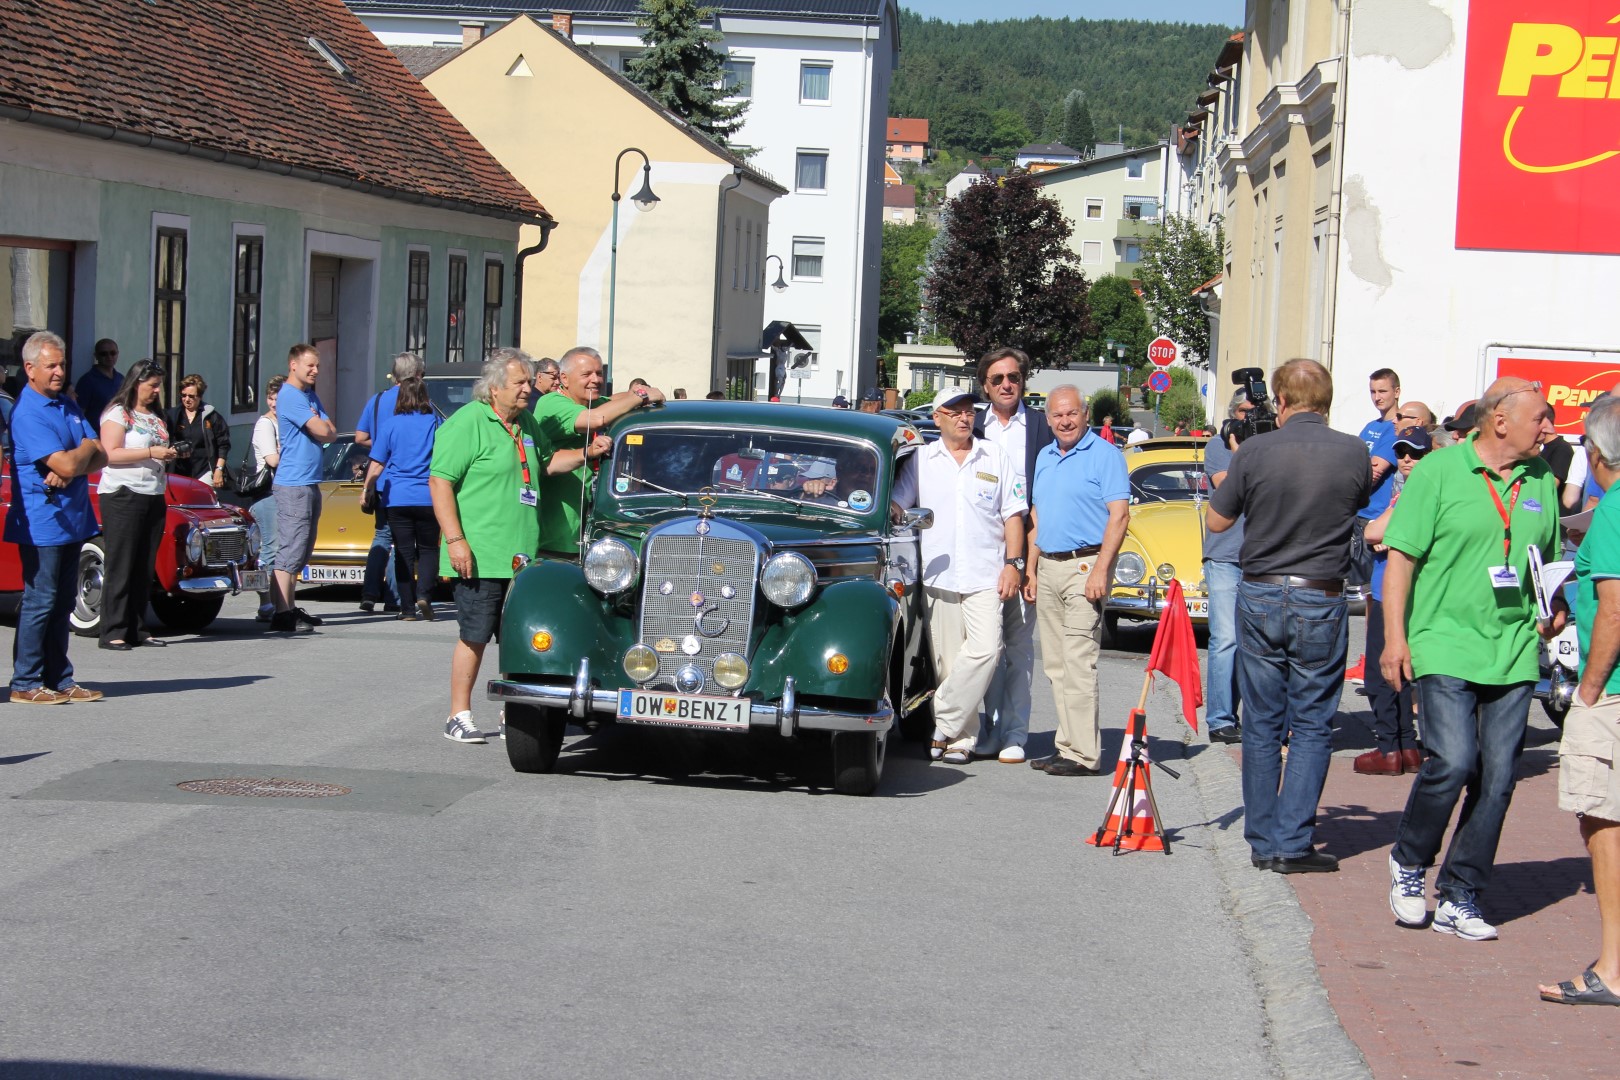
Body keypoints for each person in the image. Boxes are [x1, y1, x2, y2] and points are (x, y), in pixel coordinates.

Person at [1382, 377, 1563, 939]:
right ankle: (1410, 861)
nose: (1549, 429)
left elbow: (1544, 560)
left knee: (1500, 774)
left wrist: (1551, 609)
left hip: (1511, 648)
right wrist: (1394, 639)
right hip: (1443, 639)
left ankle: (1462, 892)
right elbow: (1401, 562)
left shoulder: (1542, 481)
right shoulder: (1438, 472)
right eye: (1540, 418)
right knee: (1454, 761)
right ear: (1500, 420)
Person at [1207, 358, 1372, 873]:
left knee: (1260, 719)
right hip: (1319, 593)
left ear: (1280, 401)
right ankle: (1292, 840)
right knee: (1312, 723)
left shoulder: (1254, 450)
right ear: (1325, 401)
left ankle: (1261, 837)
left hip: (1259, 590)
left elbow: (1217, 521)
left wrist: (1242, 467)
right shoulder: (1354, 451)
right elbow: (1354, 506)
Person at [429, 350, 609, 743]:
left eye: (530, 381)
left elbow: (546, 463)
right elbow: (439, 481)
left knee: (519, 637)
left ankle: (515, 713)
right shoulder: (469, 422)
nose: (530, 389)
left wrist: (586, 454)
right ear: (494, 389)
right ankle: (458, 714)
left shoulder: (525, 422)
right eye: (521, 383)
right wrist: (457, 542)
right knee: (474, 635)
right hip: (481, 553)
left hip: (524, 555)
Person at [891, 388, 1026, 765]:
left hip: (987, 573)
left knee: (987, 650)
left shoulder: (994, 455)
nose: (964, 418)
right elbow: (898, 505)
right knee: (949, 663)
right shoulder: (921, 459)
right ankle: (961, 739)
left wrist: (1013, 564)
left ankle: (942, 722)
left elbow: (1013, 514)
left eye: (968, 411)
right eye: (954, 412)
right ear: (936, 418)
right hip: (939, 575)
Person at [1540, 395, 1620, 1005]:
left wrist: (1587, 691)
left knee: (1603, 821)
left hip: (1612, 693)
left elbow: (1616, 612)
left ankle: (1612, 969)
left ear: (1596, 453)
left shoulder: (1615, 509)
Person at [1025, 385, 1130, 776]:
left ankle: (1085, 754)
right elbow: (1037, 516)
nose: (1065, 421)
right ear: (1048, 418)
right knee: (1056, 665)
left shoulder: (1105, 456)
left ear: (1086, 414)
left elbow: (1119, 516)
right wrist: (1031, 568)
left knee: (1079, 661)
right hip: (1049, 566)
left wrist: (1102, 569)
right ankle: (1067, 745)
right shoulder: (1045, 456)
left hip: (1085, 567)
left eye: (1072, 413)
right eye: (1057, 415)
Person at [5, 331, 105, 703]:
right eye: (51, 365)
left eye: (62, 364)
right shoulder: (28, 412)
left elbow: (102, 453)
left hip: (73, 518)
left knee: (63, 601)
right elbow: (77, 455)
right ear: (30, 369)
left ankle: (60, 678)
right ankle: (25, 682)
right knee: (41, 599)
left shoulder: (66, 404)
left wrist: (73, 463)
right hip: (42, 521)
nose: (60, 371)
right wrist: (79, 455)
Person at [970, 346, 1055, 764]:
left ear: (1023, 382)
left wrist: (1029, 565)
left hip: (1027, 551)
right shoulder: (972, 424)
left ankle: (1015, 732)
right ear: (985, 386)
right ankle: (987, 726)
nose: (1007, 385)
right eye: (997, 379)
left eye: (1014, 378)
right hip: (981, 551)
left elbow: (1045, 501)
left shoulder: (1040, 427)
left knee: (1019, 645)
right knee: (984, 646)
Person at [534, 347, 663, 559]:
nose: (595, 379)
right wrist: (641, 395)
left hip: (595, 537)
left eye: (599, 373)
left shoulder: (595, 403)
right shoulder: (551, 403)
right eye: (586, 374)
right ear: (564, 379)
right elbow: (595, 419)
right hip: (558, 537)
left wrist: (640, 395)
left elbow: (613, 401)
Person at [1354, 427, 1429, 775]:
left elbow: (1373, 531)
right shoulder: (1406, 489)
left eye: (1415, 453)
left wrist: (1381, 536)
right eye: (1402, 453)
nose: (1407, 460)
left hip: (1394, 591)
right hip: (1402, 590)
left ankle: (1390, 749)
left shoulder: (1417, 490)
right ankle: (1407, 747)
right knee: (1401, 672)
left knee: (1381, 672)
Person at [96, 359, 181, 651]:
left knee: (144, 565)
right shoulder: (118, 413)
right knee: (121, 563)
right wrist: (150, 451)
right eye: (152, 385)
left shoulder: (156, 416)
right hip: (123, 493)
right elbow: (109, 453)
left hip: (153, 492)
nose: (157, 390)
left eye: (159, 385)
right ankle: (113, 630)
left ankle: (137, 627)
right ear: (135, 383)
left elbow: (158, 449)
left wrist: (167, 454)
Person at [365, 369, 442, 622]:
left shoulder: (390, 425)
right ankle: (425, 596)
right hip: (429, 496)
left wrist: (367, 489)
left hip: (397, 497)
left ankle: (407, 608)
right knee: (429, 549)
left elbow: (376, 464)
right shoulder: (434, 422)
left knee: (403, 552)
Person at [269, 344, 336, 633]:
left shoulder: (309, 395)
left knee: (301, 550)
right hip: (293, 483)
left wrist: (323, 427)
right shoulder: (291, 396)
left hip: (309, 480)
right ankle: (281, 613)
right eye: (310, 365)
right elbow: (323, 430)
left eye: (317, 366)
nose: (315, 371)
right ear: (293, 365)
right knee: (290, 551)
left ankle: (289, 606)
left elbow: (331, 430)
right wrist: (322, 427)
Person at [1202, 389, 1252, 745]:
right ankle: (1220, 718)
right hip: (1225, 555)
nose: (1252, 419)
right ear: (1234, 414)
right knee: (1226, 639)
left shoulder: (1269, 443)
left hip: (1263, 556)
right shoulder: (1220, 445)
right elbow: (1232, 488)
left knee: (1255, 643)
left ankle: (1255, 715)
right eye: (1246, 413)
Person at [1347, 368, 1403, 684]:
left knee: (1378, 594)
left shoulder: (1394, 430)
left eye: (1382, 391)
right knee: (1367, 594)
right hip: (1360, 514)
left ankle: (1377, 658)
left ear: (1396, 391)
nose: (1377, 397)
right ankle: (1370, 658)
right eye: (1372, 391)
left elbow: (1375, 471)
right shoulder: (1371, 426)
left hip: (1377, 516)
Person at [355, 354, 423, 614]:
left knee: (381, 537)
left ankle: (369, 593)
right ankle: (394, 597)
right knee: (403, 541)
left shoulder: (377, 400)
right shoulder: (418, 402)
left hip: (380, 479)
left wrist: (383, 446)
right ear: (417, 375)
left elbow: (361, 437)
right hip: (407, 479)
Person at [248, 374, 285, 622]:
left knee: (280, 549)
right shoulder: (265, 424)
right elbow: (272, 460)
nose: (273, 403)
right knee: (269, 551)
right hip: (267, 494)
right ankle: (265, 603)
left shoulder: (284, 422)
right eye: (270, 398)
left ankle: (276, 602)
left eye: (277, 398)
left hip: (282, 491)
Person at [164, 374, 231, 488]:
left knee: (202, 501)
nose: (187, 399)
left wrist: (219, 470)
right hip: (179, 472)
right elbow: (165, 440)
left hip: (204, 470)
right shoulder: (173, 415)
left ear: (199, 396)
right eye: (183, 395)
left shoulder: (211, 416)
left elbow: (223, 445)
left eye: (191, 396)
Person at [75, 338, 123, 424]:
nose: (109, 357)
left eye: (113, 353)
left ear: (117, 354)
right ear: (96, 356)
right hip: (97, 433)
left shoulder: (121, 379)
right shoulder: (87, 381)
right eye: (103, 354)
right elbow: (79, 413)